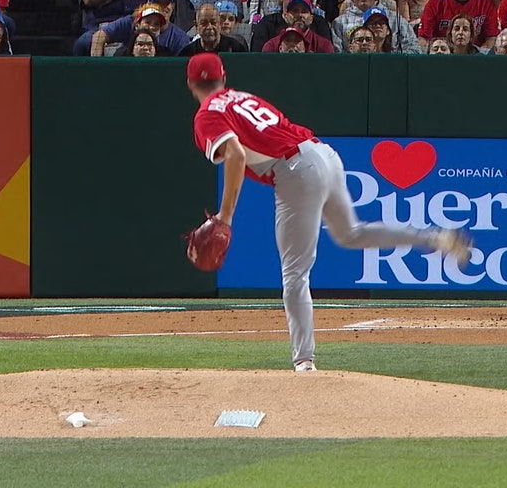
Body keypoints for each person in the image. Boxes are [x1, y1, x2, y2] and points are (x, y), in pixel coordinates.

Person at [184, 53, 473, 371]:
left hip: (294, 169)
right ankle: (434, 237)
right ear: (223, 78)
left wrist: (225, 217)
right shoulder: (240, 97)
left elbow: (236, 155)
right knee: (351, 233)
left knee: (294, 275)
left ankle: (304, 363)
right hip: (323, 153)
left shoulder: (205, 115)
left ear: (190, 84)